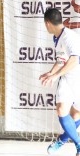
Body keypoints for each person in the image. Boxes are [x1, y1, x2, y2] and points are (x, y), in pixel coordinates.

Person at [39, 8, 80, 156]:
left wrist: (56, 75)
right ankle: (79, 145)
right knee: (61, 109)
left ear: (47, 23)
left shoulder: (70, 37)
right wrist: (51, 73)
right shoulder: (57, 37)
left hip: (78, 78)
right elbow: (61, 60)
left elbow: (75, 59)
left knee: (76, 115)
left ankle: (62, 140)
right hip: (67, 78)